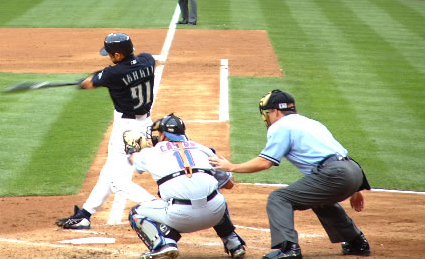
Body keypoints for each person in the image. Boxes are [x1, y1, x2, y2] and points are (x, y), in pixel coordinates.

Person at [210, 89, 371, 259]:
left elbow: (265, 162)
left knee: (279, 198)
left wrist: (232, 167)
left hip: (336, 173)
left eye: (268, 112)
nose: (267, 117)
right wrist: (355, 189)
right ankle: (356, 242)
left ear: (276, 111)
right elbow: (336, 153)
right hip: (353, 171)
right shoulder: (311, 122)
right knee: (321, 200)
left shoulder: (280, 126)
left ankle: (289, 249)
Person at [56, 33, 157, 230]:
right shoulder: (146, 61)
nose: (109, 57)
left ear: (118, 55)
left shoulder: (113, 74)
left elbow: (89, 83)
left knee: (116, 180)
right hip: (144, 125)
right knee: (108, 171)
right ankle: (85, 214)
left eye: (110, 54)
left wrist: (84, 81)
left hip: (127, 131)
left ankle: (153, 205)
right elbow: (145, 60)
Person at [126, 113, 247, 259]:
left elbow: (133, 160)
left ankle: (165, 243)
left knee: (135, 213)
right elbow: (228, 184)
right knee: (215, 193)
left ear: (164, 136)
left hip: (180, 217)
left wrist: (132, 150)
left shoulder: (152, 153)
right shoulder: (202, 148)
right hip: (215, 213)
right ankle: (233, 243)